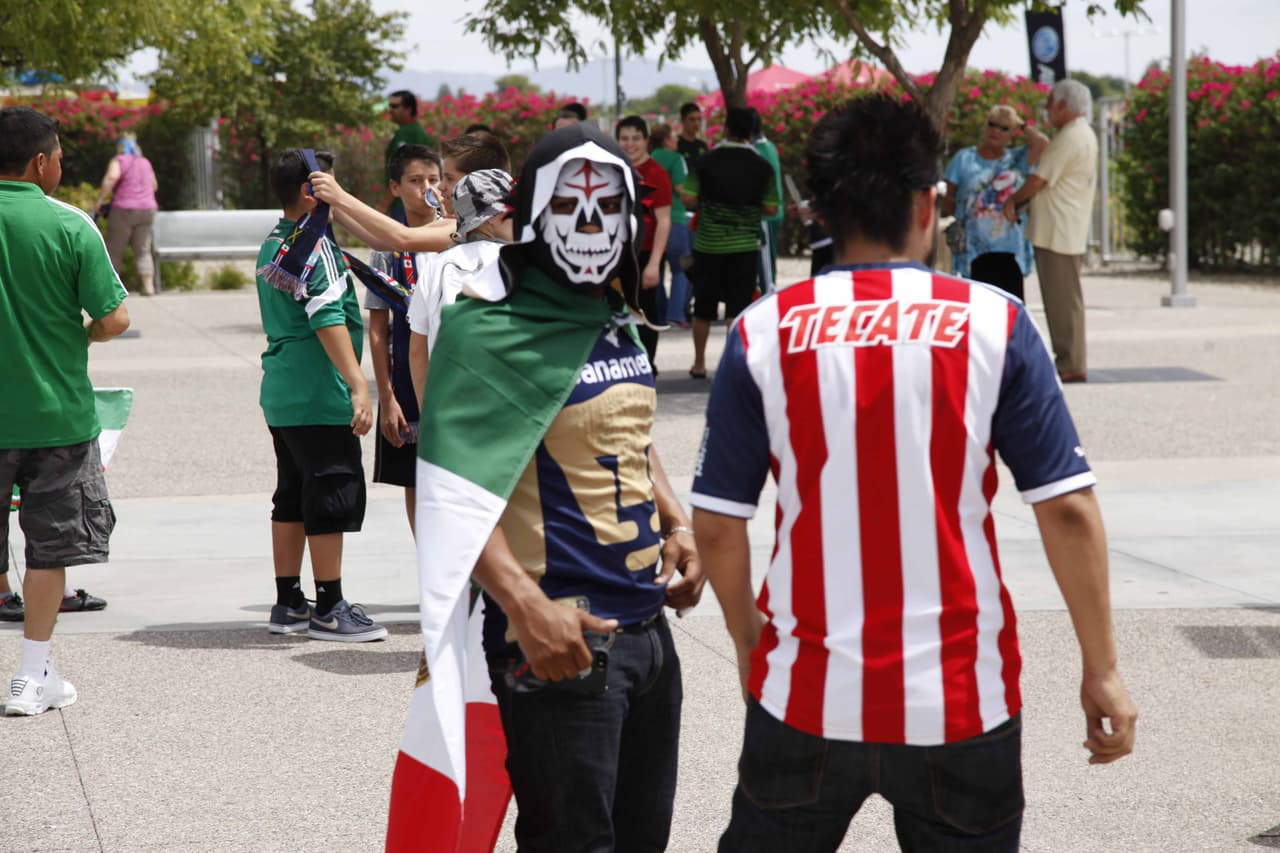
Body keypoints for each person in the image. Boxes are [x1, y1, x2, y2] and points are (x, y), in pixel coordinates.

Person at [690, 94, 1138, 853]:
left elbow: (718, 520)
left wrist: (748, 641)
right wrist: (1103, 668)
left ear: (825, 210)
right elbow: (1066, 509)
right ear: (929, 204)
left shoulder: (764, 330)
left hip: (804, 692)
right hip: (961, 698)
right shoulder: (993, 323)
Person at [414, 123, 704, 851]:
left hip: (648, 636)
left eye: (609, 206)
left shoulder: (613, 319)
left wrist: (678, 523)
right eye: (571, 205)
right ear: (534, 211)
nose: (590, 224)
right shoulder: (486, 328)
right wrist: (524, 606)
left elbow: (629, 435)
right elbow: (447, 493)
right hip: (554, 643)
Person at [0, 106, 131, 715]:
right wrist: (85, 334)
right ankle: (31, 674)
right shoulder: (70, 224)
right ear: (40, 162)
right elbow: (114, 319)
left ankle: (37, 672)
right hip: (57, 418)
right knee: (49, 550)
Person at [256, 148, 386, 643]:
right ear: (312, 191)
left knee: (291, 495)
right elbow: (327, 317)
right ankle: (330, 605)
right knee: (330, 494)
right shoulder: (315, 246)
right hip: (318, 393)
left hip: (284, 392)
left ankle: (288, 599)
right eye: (331, 185)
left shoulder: (275, 242)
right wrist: (358, 384)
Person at [366, 144, 442, 534]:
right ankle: (428, 564)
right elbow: (377, 331)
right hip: (406, 385)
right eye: (415, 181)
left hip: (452, 376)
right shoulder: (387, 249)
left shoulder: (456, 239)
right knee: (415, 480)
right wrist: (387, 397)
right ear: (395, 187)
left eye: (433, 180)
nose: (426, 188)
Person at [1003, 79, 1098, 382]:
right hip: (1062, 229)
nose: (1047, 109)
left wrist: (1012, 201)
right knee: (1064, 300)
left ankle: (1070, 362)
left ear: (1063, 106)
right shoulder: (1077, 134)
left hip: (1059, 230)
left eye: (1050, 103)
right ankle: (1070, 359)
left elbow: (1038, 180)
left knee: (1061, 301)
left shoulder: (1070, 137)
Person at [681, 106, 779, 379]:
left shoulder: (705, 161)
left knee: (703, 307)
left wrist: (708, 202)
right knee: (737, 308)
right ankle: (730, 365)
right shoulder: (763, 167)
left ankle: (699, 363)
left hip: (708, 245)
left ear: (726, 129)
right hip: (744, 247)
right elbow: (772, 209)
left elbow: (687, 198)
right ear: (751, 132)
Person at [406, 168, 515, 404]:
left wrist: (428, 415)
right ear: (493, 216)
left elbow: (417, 350)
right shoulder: (519, 262)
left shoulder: (436, 265)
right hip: (509, 411)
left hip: (449, 408)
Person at [309, 132, 509, 255]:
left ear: (477, 181)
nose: (440, 187)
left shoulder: (478, 228)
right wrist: (335, 207)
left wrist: (340, 197)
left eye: (448, 178)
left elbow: (403, 238)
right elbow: (382, 241)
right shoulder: (458, 223)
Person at [942, 104, 1048, 301]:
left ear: (1012, 135)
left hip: (1009, 251)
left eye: (1004, 128)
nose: (996, 131)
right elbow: (947, 196)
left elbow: (1042, 144)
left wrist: (1021, 124)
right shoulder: (965, 158)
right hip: (973, 252)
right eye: (992, 125)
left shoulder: (1017, 158)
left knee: (1009, 312)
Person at [616, 115, 672, 369]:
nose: (630, 144)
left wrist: (654, 264)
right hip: (617, 254)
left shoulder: (657, 174)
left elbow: (664, 221)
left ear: (647, 141)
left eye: (636, 138)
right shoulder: (614, 171)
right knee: (619, 311)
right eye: (624, 139)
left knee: (646, 314)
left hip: (647, 255)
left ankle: (647, 364)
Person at [92, 134, 159, 296]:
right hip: (148, 209)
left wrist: (100, 200)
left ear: (120, 146)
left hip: (124, 209)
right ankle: (148, 286)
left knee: (115, 248)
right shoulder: (145, 162)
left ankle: (111, 289)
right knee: (143, 249)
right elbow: (154, 185)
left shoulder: (119, 160)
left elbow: (112, 177)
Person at [648, 123, 692, 327]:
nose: (677, 141)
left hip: (651, 221)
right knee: (681, 269)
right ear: (666, 140)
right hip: (674, 218)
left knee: (655, 267)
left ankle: (658, 312)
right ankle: (676, 314)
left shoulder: (648, 159)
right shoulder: (676, 159)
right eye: (674, 138)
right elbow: (681, 188)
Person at [748, 109, 784, 294]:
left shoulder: (758, 150)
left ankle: (770, 300)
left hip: (766, 216)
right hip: (771, 213)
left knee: (765, 267)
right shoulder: (769, 147)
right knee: (765, 263)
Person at [383, 90, 434, 222]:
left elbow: (403, 173)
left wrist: (384, 205)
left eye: (395, 106)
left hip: (405, 202)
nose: (390, 110)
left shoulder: (411, 133)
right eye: (390, 106)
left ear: (408, 109)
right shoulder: (402, 131)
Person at [676, 102, 708, 168]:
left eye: (699, 119)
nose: (696, 123)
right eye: (692, 119)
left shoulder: (703, 145)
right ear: (682, 121)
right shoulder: (675, 145)